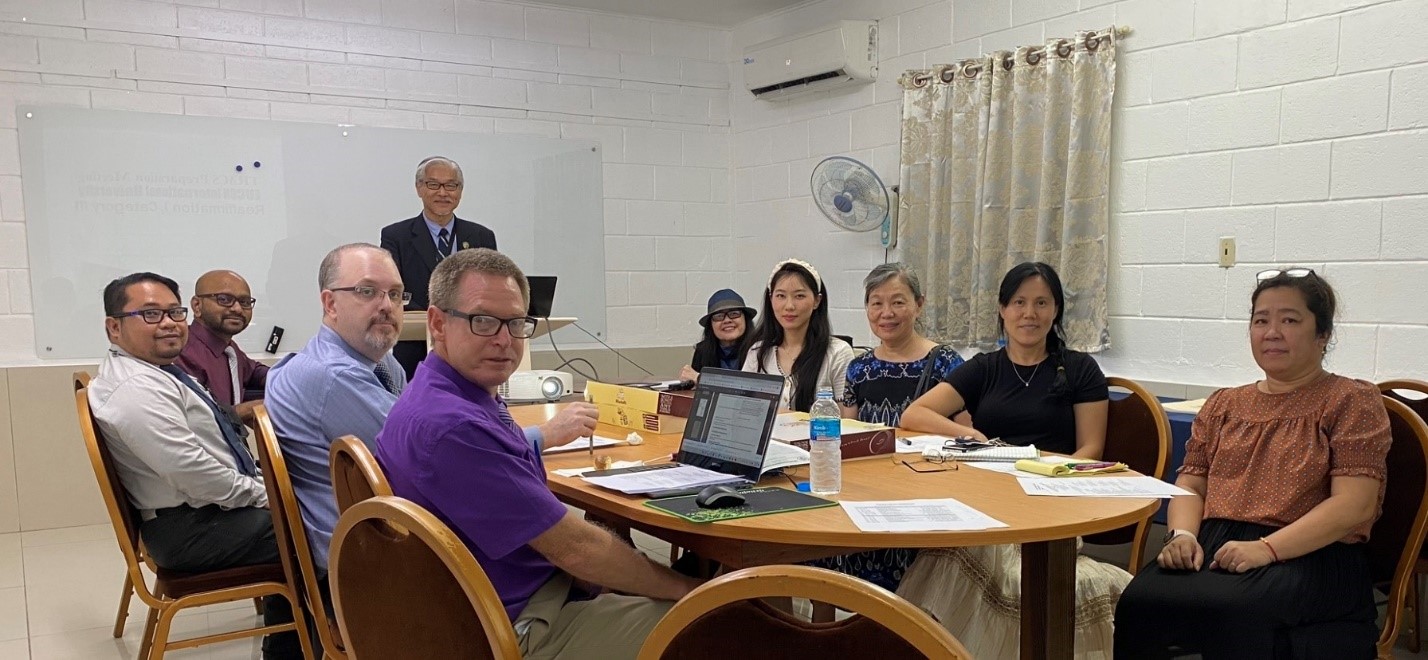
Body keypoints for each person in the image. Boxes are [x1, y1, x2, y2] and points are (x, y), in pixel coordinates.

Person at [377, 249, 698, 659]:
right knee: (725, 623)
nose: (504, 339)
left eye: (516, 323)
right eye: (483, 321)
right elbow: (574, 549)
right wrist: (688, 591)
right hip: (517, 626)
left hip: (495, 598)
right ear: (438, 324)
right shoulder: (454, 426)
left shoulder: (440, 394)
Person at [266, 243, 597, 575]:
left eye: (396, 295)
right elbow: (439, 445)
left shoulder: (372, 361)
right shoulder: (332, 377)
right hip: (375, 567)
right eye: (368, 292)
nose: (386, 306)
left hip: (378, 537)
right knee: (568, 551)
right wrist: (545, 434)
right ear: (330, 303)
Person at [1114, 268, 1390, 660]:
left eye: (1289, 320)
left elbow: (1355, 505)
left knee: (1232, 611)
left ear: (1322, 334)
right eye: (1261, 320)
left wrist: (1268, 549)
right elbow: (1190, 486)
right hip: (1216, 543)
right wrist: (1181, 536)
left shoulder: (1350, 400)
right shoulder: (1224, 403)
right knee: (1139, 600)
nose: (1271, 332)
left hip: (1311, 552)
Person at [896, 262, 1118, 660]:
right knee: (947, 546)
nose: (1028, 314)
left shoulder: (1081, 368)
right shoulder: (984, 367)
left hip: (1052, 503)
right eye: (1018, 302)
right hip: (989, 500)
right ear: (1002, 309)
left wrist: (1048, 476)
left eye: (1041, 303)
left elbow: (1090, 450)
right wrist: (969, 435)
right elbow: (914, 415)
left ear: (1056, 311)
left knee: (968, 551)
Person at [87, 272, 300, 659]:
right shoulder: (135, 391)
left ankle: (296, 638)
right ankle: (302, 646)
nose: (168, 322)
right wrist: (267, 494)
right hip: (190, 527)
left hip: (198, 512)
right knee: (320, 527)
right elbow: (197, 476)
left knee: (307, 508)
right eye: (150, 314)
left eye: (173, 312)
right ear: (113, 328)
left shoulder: (158, 370)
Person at [804, 263, 966, 592]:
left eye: (898, 302)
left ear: (919, 304)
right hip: (869, 488)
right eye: (876, 303)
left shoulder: (946, 363)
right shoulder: (860, 367)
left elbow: (965, 436)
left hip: (924, 490)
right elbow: (847, 436)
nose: (886, 313)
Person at [380, 156, 498, 378]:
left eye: (451, 185)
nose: (443, 193)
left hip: (472, 346)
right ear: (419, 188)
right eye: (433, 184)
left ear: (460, 191)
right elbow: (392, 289)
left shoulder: (482, 236)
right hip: (415, 351)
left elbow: (490, 288)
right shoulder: (396, 236)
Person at [742, 259, 854, 412]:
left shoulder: (838, 352)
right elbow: (742, 411)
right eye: (781, 296)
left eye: (799, 296)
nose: (789, 306)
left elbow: (848, 422)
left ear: (817, 301)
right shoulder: (758, 352)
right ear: (770, 299)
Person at [174, 269, 268, 421]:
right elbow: (203, 420)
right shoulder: (183, 353)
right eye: (224, 299)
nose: (237, 309)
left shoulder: (228, 349)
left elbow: (254, 372)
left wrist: (292, 378)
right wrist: (261, 407)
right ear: (197, 306)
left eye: (244, 302)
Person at [677, 288, 755, 382]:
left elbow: (748, 387)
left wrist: (699, 378)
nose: (727, 320)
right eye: (719, 316)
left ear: (745, 319)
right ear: (711, 325)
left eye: (734, 313)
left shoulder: (759, 349)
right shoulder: (702, 351)